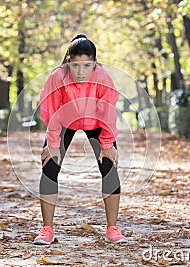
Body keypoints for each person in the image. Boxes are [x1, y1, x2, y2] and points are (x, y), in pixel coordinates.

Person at [34, 34, 127, 245]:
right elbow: (51, 111)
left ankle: (112, 229)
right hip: (64, 122)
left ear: (95, 63)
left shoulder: (102, 78)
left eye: (87, 66)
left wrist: (106, 144)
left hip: (96, 122)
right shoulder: (58, 77)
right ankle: (47, 229)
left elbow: (108, 111)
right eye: (76, 66)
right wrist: (53, 144)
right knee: (49, 166)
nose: (81, 71)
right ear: (68, 62)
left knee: (109, 166)